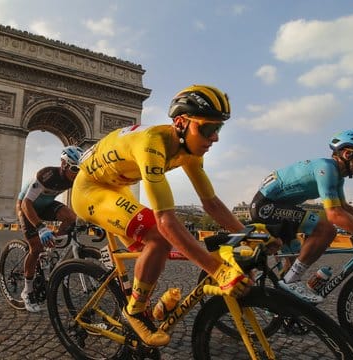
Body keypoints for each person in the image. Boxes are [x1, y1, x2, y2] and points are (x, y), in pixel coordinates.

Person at [71, 85, 252, 347]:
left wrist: (247, 234)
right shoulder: (151, 144)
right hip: (90, 191)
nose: (215, 138)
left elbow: (210, 203)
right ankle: (134, 310)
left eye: (219, 129)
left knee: (158, 249)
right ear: (181, 122)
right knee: (159, 236)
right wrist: (217, 270)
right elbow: (166, 221)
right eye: (208, 129)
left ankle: (148, 308)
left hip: (117, 186)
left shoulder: (188, 150)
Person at [249, 129, 353, 303]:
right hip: (266, 207)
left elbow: (345, 208)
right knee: (326, 229)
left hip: (279, 206)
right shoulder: (326, 169)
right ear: (348, 154)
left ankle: (282, 309)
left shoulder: (336, 175)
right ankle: (290, 282)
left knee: (294, 262)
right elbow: (335, 215)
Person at [16, 145, 84, 312]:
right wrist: (41, 227)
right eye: (75, 168)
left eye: (80, 169)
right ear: (64, 165)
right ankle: (27, 290)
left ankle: (52, 246)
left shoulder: (76, 177)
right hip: (27, 206)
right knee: (36, 248)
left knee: (71, 218)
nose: (78, 173)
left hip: (45, 205)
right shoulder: (46, 175)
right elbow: (26, 203)